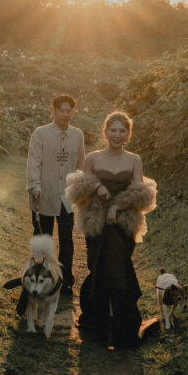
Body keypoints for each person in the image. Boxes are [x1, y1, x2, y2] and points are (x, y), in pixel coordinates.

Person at [65, 111, 157, 348]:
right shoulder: (94, 158)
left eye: (122, 131)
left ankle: (123, 327)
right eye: (113, 130)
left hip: (122, 221)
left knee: (117, 267)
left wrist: (117, 206)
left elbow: (141, 191)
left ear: (128, 134)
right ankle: (97, 320)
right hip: (96, 219)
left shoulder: (134, 159)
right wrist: (98, 187)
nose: (117, 135)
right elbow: (81, 183)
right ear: (105, 132)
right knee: (97, 265)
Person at [27, 94, 86, 295]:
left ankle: (65, 279)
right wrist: (34, 185)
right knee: (43, 237)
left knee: (66, 239)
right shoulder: (40, 134)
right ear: (53, 111)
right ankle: (39, 278)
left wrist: (79, 188)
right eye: (62, 110)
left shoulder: (77, 135)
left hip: (66, 196)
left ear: (72, 112)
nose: (65, 114)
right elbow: (34, 161)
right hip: (44, 193)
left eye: (69, 111)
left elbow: (81, 164)